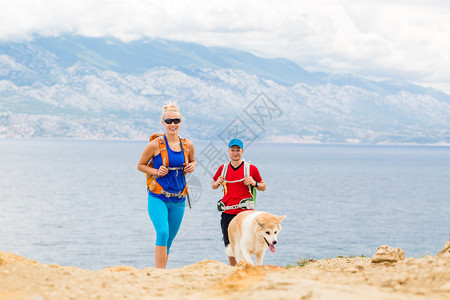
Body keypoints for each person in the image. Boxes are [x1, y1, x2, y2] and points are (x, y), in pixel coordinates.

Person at [137, 103, 195, 268]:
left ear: (180, 122)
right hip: (158, 197)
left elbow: (192, 160)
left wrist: (193, 165)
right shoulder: (155, 144)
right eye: (169, 121)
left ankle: (162, 274)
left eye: (176, 120)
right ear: (163, 123)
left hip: (179, 199)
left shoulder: (188, 145)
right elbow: (140, 165)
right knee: (162, 232)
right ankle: (158, 273)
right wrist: (156, 171)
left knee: (169, 238)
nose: (172, 124)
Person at [211, 138, 266, 266]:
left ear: (242, 151)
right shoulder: (223, 169)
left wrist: (254, 183)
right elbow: (213, 185)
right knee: (230, 244)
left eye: (238, 150)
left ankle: (248, 268)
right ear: (228, 151)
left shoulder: (251, 169)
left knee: (247, 242)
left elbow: (263, 186)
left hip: (245, 213)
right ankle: (234, 269)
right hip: (228, 212)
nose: (235, 153)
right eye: (233, 150)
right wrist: (217, 182)